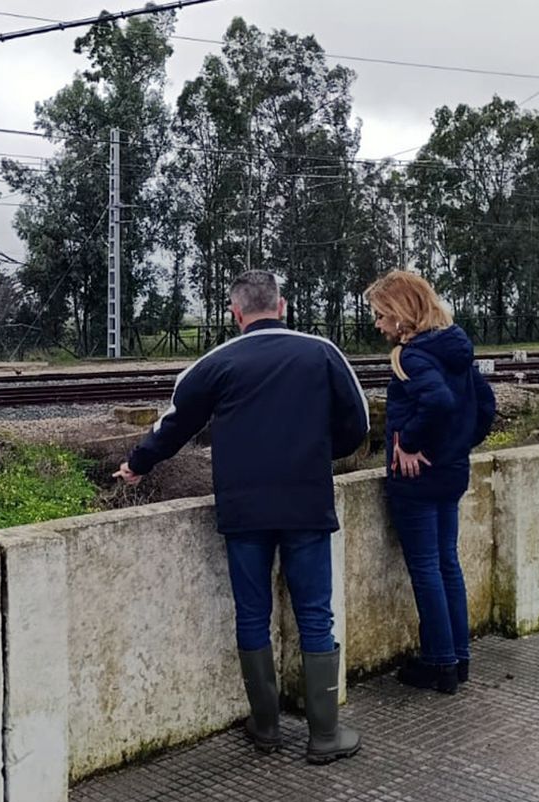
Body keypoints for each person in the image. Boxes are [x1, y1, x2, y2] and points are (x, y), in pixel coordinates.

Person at [115, 270, 370, 765]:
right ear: (283, 305)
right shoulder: (320, 351)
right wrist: (319, 454)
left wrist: (137, 464)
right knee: (315, 614)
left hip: (244, 509)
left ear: (235, 314)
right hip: (306, 505)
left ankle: (267, 726)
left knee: (252, 613)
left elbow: (174, 425)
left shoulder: (216, 363)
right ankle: (324, 735)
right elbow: (356, 422)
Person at [367, 270, 496, 695]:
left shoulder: (412, 356)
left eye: (382, 316)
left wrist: (411, 443)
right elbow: (484, 406)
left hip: (417, 479)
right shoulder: (455, 347)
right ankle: (458, 659)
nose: (378, 325)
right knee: (447, 563)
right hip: (451, 472)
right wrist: (457, 446)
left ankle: (438, 663)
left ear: (403, 315)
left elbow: (437, 402)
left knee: (426, 567)